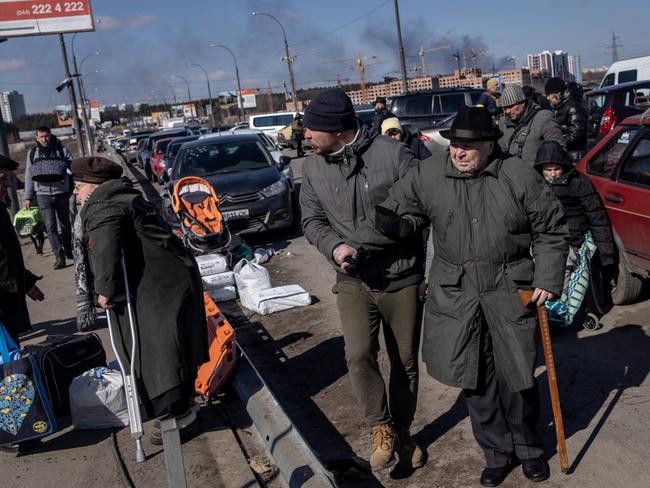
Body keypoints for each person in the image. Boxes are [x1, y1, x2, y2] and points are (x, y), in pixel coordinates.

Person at [365, 107, 568, 486]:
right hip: (457, 295)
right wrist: (354, 245)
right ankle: (496, 454)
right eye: (454, 145)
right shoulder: (429, 174)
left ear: (490, 146)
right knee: (474, 379)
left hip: (510, 289)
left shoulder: (518, 174)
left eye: (467, 147)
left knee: (518, 376)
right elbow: (393, 211)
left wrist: (548, 275)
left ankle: (529, 451)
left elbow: (552, 229)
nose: (457, 153)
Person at [299, 88, 427, 471]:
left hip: (401, 276)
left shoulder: (394, 155)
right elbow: (311, 220)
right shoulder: (314, 167)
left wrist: (402, 228)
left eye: (311, 129)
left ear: (337, 129)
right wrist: (336, 248)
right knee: (357, 356)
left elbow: (423, 208)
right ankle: (380, 428)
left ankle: (403, 431)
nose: (305, 135)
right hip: (352, 278)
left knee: (405, 361)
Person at [72, 156, 208, 444]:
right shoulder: (124, 197)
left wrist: (104, 291)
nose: (75, 192)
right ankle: (184, 409)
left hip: (160, 286)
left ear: (94, 186)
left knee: (160, 348)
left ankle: (179, 415)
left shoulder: (103, 206)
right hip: (170, 277)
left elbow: (105, 248)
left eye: (79, 186)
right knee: (171, 345)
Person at [534, 141, 617, 318]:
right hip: (541, 237)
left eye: (556, 169)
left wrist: (606, 253)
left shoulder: (579, 182)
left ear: (564, 166)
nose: (552, 174)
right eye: (547, 170)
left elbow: (596, 216)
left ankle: (557, 309)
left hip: (570, 239)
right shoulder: (535, 183)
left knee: (560, 272)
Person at [0, 154, 45, 347]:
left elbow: (6, 256)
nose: (7, 185)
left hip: (7, 299)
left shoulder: (0, 210)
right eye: (2, 179)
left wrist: (26, 281)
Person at [24, 126, 74, 269]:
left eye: (46, 136)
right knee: (50, 227)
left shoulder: (62, 150)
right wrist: (27, 197)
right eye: (41, 137)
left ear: (50, 136)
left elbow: (75, 168)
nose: (44, 139)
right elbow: (28, 176)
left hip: (61, 193)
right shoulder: (32, 154)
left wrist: (78, 185)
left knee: (65, 224)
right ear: (36, 138)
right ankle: (59, 257)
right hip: (42, 195)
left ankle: (68, 248)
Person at [498, 84, 564, 165]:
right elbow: (501, 151)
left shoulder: (543, 118)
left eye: (510, 106)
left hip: (537, 175)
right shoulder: (503, 122)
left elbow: (558, 150)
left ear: (523, 103)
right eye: (505, 108)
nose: (507, 111)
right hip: (511, 174)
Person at [544, 78, 588, 164]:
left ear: (558, 93)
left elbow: (576, 135)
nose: (547, 98)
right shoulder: (560, 106)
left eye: (549, 94)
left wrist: (556, 143)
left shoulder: (573, 106)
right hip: (567, 155)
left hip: (575, 157)